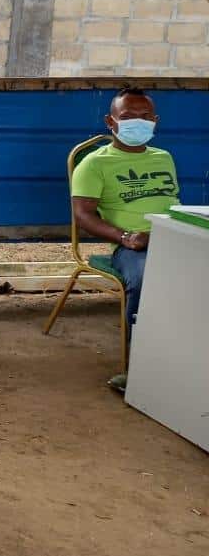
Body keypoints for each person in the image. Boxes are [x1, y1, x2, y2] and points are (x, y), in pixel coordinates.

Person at [70, 86, 180, 392]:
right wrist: (126, 237)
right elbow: (83, 215)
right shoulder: (94, 163)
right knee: (146, 278)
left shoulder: (164, 157)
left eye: (145, 117)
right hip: (131, 247)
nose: (138, 122)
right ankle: (139, 369)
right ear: (111, 121)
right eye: (128, 116)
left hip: (174, 239)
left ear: (155, 121)